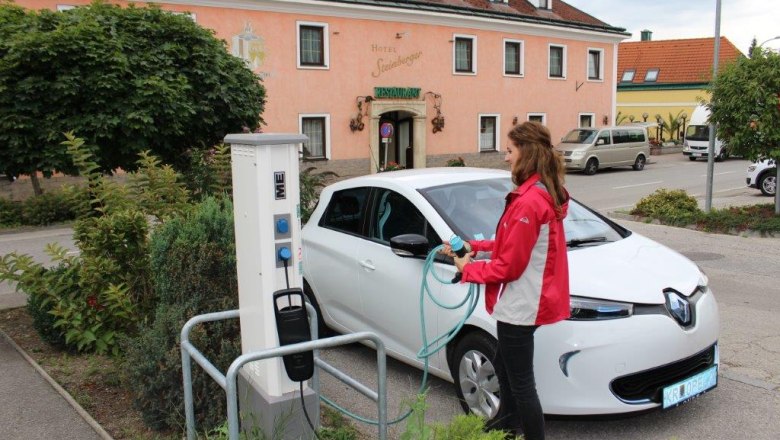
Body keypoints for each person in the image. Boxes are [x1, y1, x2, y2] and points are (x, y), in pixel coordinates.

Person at [445, 121, 570, 440]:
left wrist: (466, 268)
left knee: (522, 385)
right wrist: (474, 246)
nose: (505, 157)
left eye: (510, 150)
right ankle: (504, 430)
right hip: (526, 300)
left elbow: (508, 267)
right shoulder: (541, 192)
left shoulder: (529, 201)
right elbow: (510, 243)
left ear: (526, 153)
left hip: (521, 305)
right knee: (504, 368)